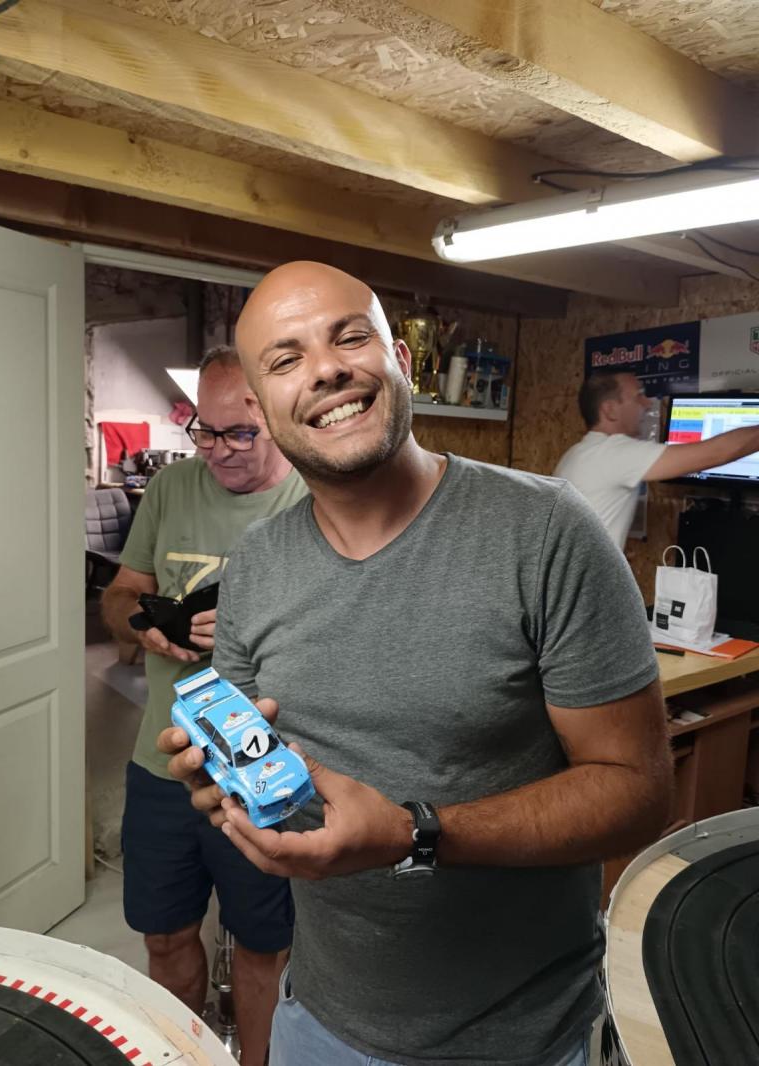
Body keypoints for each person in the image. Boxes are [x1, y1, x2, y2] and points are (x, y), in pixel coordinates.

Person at [159, 263, 673, 1066]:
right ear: (259, 405)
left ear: (400, 360)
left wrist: (416, 833)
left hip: (521, 1039)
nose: (325, 370)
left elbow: (640, 793)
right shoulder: (256, 563)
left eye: (349, 338)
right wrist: (221, 780)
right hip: (317, 1021)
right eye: (286, 359)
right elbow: (259, 760)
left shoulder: (546, 532)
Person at [101, 346, 308, 1066]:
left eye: (238, 433)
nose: (218, 450)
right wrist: (142, 624)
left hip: (261, 769)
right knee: (163, 935)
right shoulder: (171, 488)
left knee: (263, 945)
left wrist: (254, 627)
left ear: (274, 417)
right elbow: (120, 594)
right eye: (205, 431)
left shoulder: (314, 499)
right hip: (161, 763)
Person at [554, 371, 759, 549]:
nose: (648, 403)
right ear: (610, 410)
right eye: (639, 396)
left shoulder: (574, 454)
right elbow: (717, 452)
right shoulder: (613, 452)